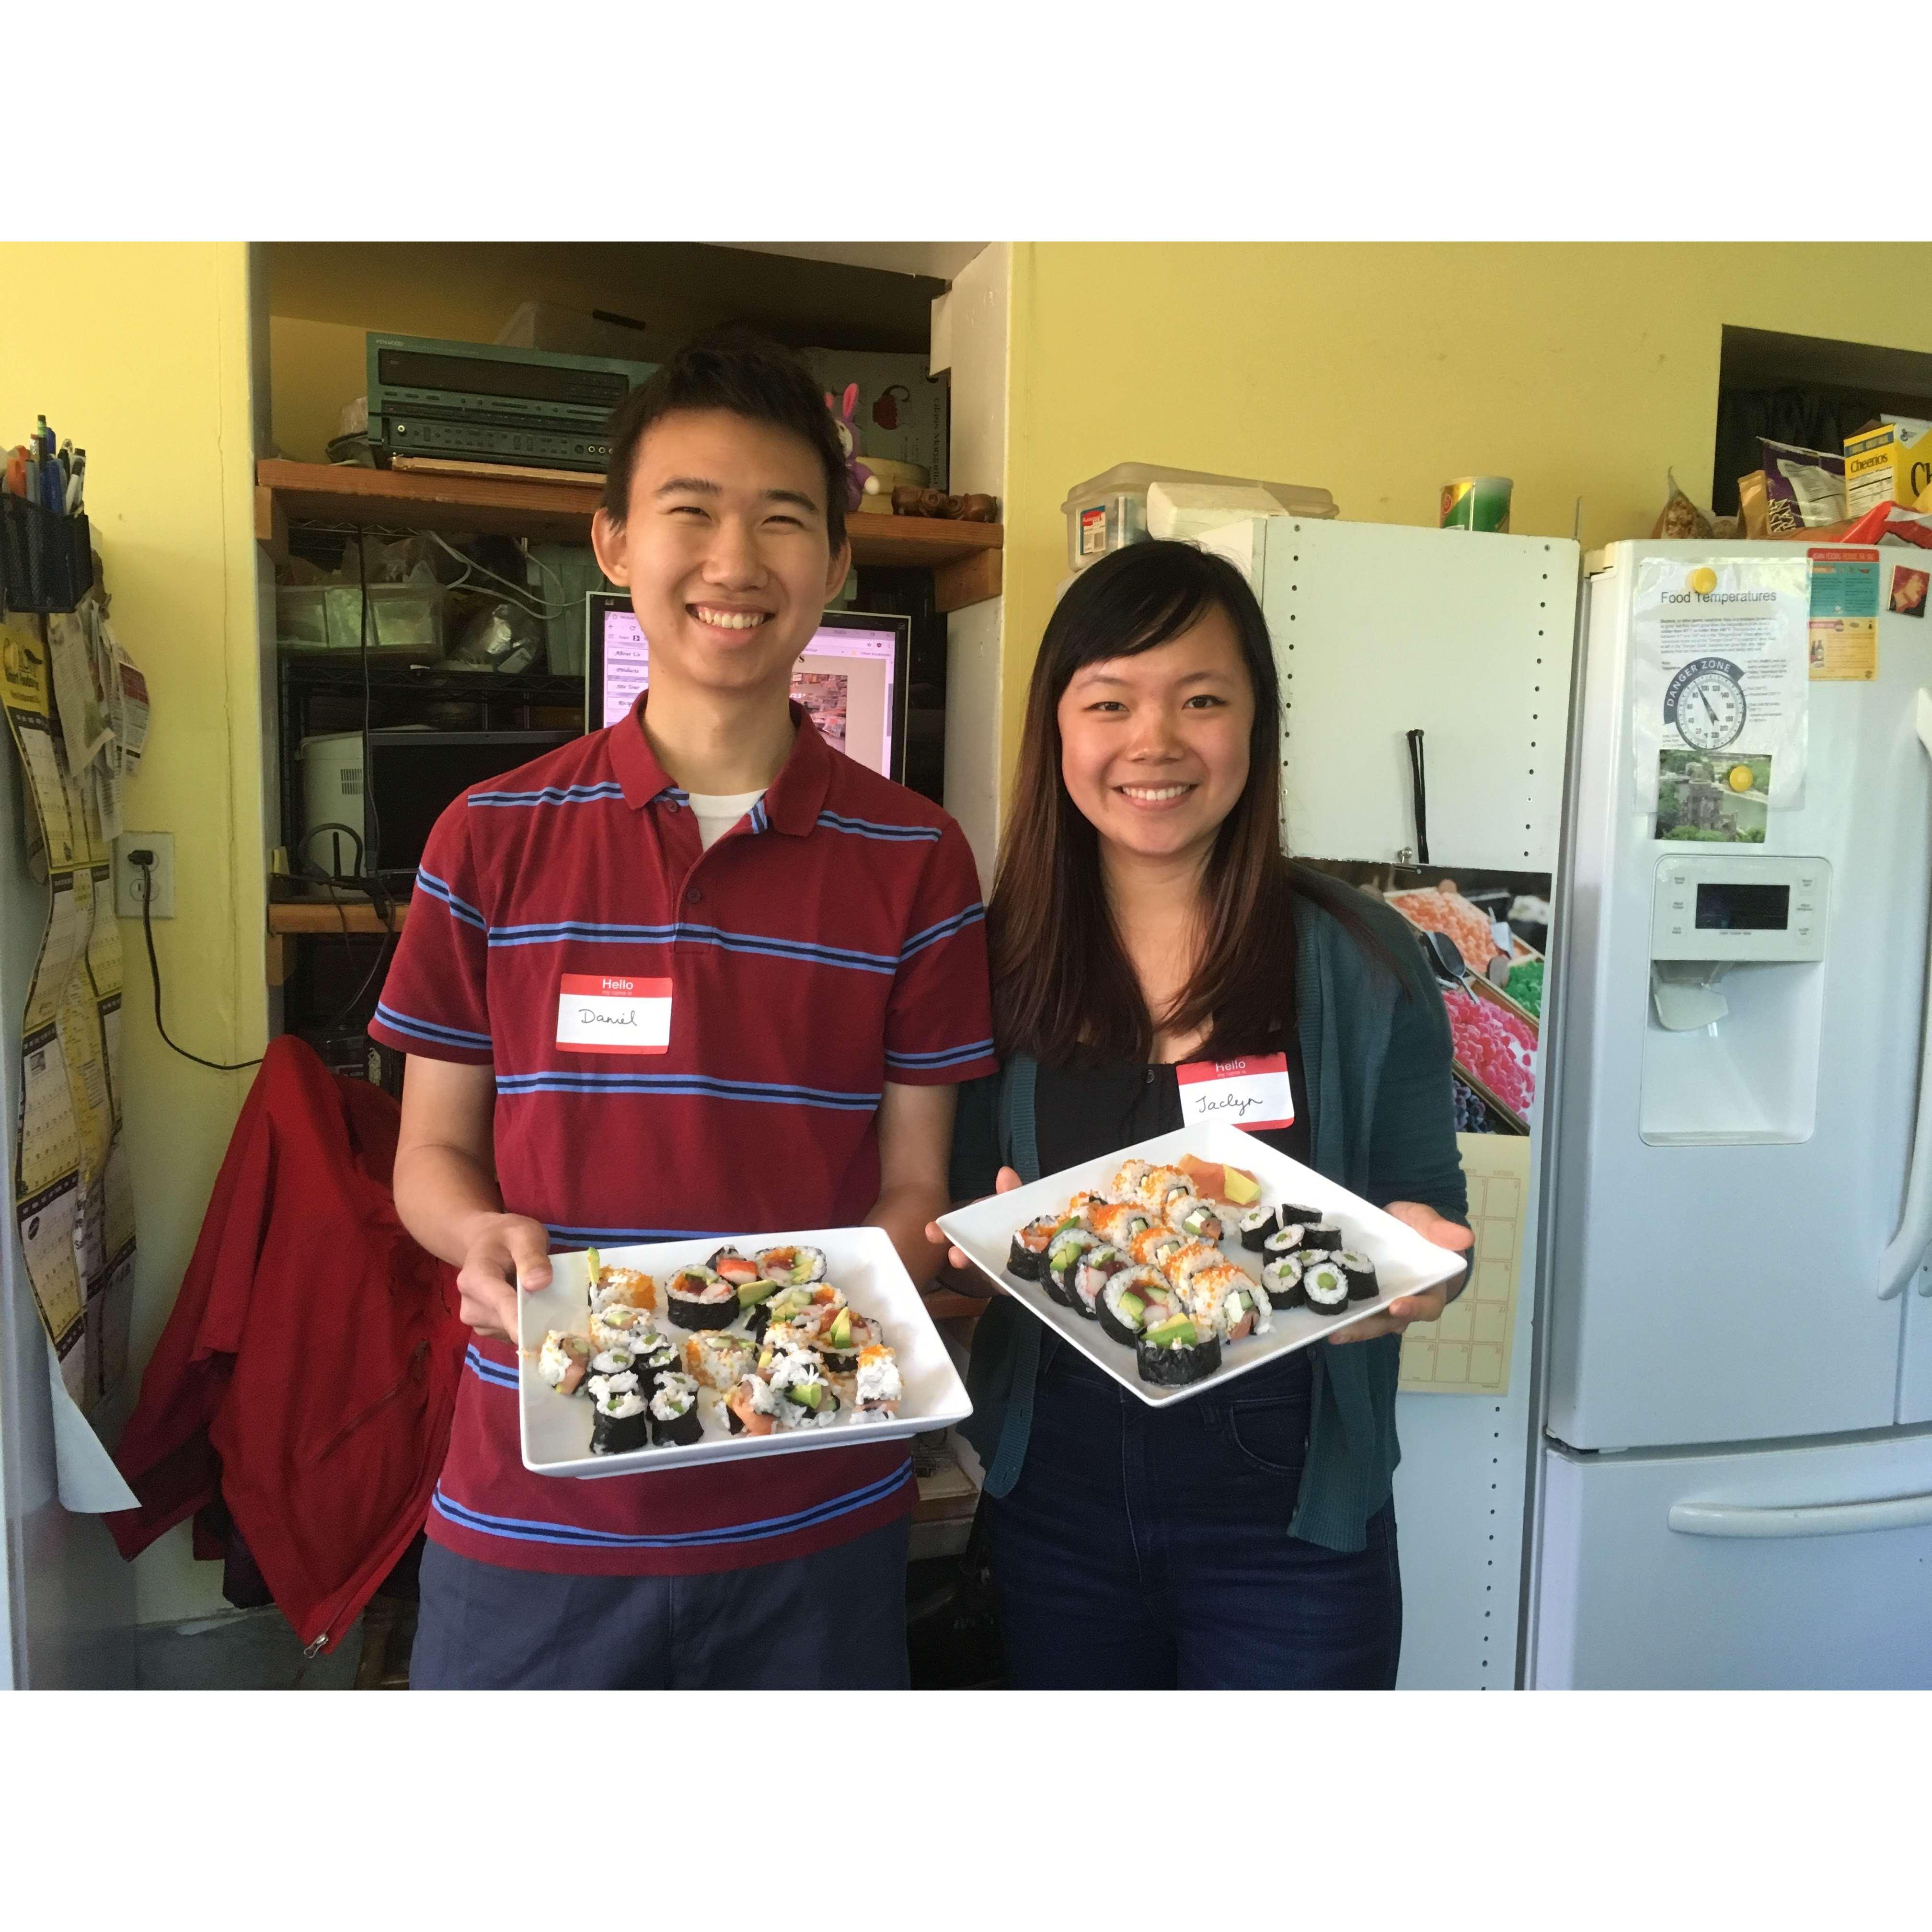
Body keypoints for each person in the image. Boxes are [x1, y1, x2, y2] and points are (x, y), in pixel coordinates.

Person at [373, 331, 998, 1690]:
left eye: (783, 521)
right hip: (537, 1517)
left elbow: (913, 1188)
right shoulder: (487, 838)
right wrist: (473, 1234)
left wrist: (816, 1322)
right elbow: (429, 1158)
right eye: (691, 513)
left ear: (837, 566)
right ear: (612, 544)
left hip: (812, 1519)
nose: (736, 561)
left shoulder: (918, 859)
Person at [931, 539, 1472, 1690]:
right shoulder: (994, 964)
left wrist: (1425, 1264)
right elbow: (954, 1255)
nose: (1156, 743)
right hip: (1058, 1501)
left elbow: (1435, 1225)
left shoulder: (1368, 960)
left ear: (1256, 726)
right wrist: (979, 1261)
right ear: (1059, 732)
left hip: (1289, 1520)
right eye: (1111, 702)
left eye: (1203, 700)